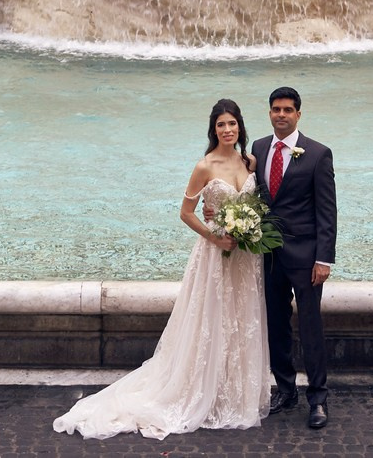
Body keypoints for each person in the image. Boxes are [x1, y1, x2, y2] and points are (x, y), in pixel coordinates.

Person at [54, 99, 270, 440]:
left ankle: (235, 390)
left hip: (245, 257)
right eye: (221, 125)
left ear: (240, 127)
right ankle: (202, 391)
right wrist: (215, 238)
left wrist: (246, 227)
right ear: (213, 130)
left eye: (232, 124)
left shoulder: (249, 161)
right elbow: (186, 213)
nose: (227, 130)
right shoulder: (204, 166)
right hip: (216, 254)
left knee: (242, 320)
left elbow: (252, 203)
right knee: (212, 320)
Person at [251, 86, 337, 430]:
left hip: (306, 257)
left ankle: (318, 397)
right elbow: (252, 194)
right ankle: (285, 390)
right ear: (269, 113)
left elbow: (327, 211)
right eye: (276, 109)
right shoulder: (258, 148)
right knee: (276, 325)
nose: (281, 115)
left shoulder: (318, 154)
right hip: (269, 256)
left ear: (298, 114)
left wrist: (324, 259)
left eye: (288, 110)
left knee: (311, 327)